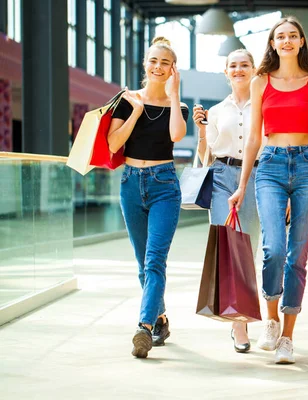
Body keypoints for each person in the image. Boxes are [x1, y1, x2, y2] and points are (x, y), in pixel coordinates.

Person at [228, 16, 308, 364]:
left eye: (292, 36)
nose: (286, 41)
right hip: (269, 165)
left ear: (301, 42)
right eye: (280, 36)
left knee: (297, 255)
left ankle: (287, 336)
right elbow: (254, 137)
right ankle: (270, 319)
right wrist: (241, 186)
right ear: (272, 43)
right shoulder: (260, 82)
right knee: (273, 248)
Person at [108, 36, 188, 358]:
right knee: (143, 265)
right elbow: (114, 144)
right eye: (153, 61)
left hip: (164, 186)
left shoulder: (176, 106)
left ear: (172, 69)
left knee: (155, 260)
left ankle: (144, 327)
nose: (158, 67)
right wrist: (136, 111)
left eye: (165, 63)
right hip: (130, 184)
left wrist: (174, 94)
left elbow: (176, 135)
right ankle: (161, 319)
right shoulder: (127, 101)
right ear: (145, 64)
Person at [193, 49, 262, 354]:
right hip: (222, 177)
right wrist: (201, 132)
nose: (238, 70)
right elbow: (205, 157)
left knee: (249, 247)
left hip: (258, 178)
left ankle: (242, 311)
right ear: (226, 72)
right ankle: (239, 322)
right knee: (227, 245)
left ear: (253, 69)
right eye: (232, 66)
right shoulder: (218, 110)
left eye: (244, 65)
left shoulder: (264, 105)